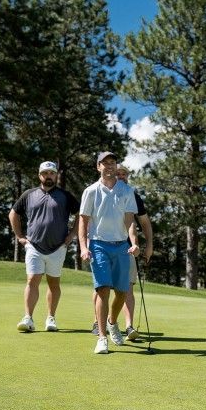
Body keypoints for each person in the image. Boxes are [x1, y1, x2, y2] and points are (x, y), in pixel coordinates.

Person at [79, 151, 139, 355]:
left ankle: (113, 322)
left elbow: (130, 220)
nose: (110, 166)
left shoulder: (126, 190)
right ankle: (102, 337)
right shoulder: (91, 191)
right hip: (98, 245)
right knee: (103, 289)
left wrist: (134, 242)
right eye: (106, 163)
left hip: (122, 245)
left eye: (113, 162)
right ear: (98, 166)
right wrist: (83, 247)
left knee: (121, 292)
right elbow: (83, 221)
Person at [9, 161, 80, 333]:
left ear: (56, 175)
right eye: (45, 173)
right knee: (32, 280)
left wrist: (72, 235)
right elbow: (13, 213)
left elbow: (81, 215)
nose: (48, 176)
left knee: (53, 283)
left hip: (58, 247)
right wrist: (19, 237)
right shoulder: (29, 194)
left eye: (51, 173)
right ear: (39, 175)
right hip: (34, 246)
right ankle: (28, 318)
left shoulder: (65, 195)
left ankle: (51, 318)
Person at [90, 164, 153, 340]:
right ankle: (98, 322)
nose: (121, 177)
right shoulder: (98, 192)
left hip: (127, 248)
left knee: (126, 287)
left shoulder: (132, 195)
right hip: (102, 246)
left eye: (124, 174)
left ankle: (128, 326)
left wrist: (149, 245)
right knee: (101, 287)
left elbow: (144, 223)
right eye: (118, 174)